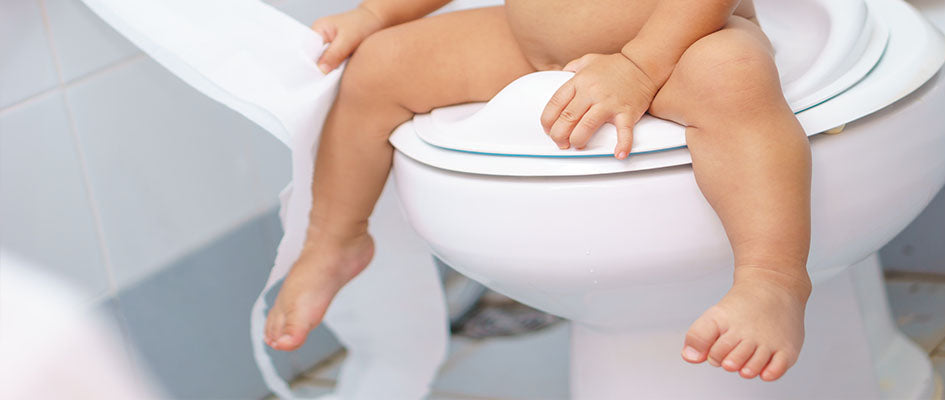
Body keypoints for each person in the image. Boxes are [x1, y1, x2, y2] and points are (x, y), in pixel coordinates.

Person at [264, 0, 812, 382]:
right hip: (535, 46)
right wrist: (375, 14)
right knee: (381, 64)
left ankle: (772, 279)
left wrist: (638, 64)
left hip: (681, 44)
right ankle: (334, 238)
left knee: (733, 74)